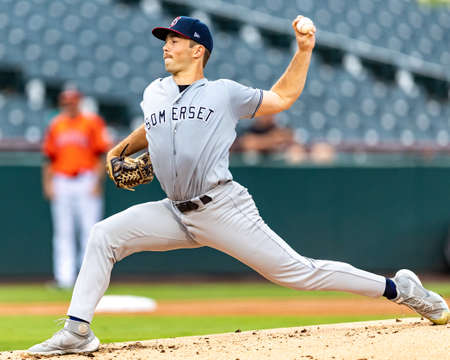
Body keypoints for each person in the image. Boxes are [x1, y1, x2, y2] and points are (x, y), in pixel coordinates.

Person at [29, 16, 448, 355]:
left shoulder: (224, 94)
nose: (166, 45)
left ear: (198, 50)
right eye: (165, 39)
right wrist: (122, 147)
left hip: (222, 207)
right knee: (104, 235)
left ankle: (401, 288)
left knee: (299, 273)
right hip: (173, 210)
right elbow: (153, 125)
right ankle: (78, 331)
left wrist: (303, 52)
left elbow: (282, 98)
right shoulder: (154, 92)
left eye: (174, 40)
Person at [41, 89, 111, 289]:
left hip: (85, 178)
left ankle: (88, 279)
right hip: (62, 179)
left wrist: (97, 183)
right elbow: (49, 157)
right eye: (66, 102)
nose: (69, 105)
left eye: (72, 101)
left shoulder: (92, 122)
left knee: (90, 230)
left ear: (79, 102)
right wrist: (47, 184)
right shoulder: (56, 124)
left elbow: (100, 154)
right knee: (63, 232)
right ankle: (64, 278)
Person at [234, 114, 307, 163]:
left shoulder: (279, 127)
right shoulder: (252, 129)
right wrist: (272, 140)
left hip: (276, 165)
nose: (267, 115)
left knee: (295, 153)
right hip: (256, 169)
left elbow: (294, 140)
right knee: (251, 154)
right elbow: (248, 143)